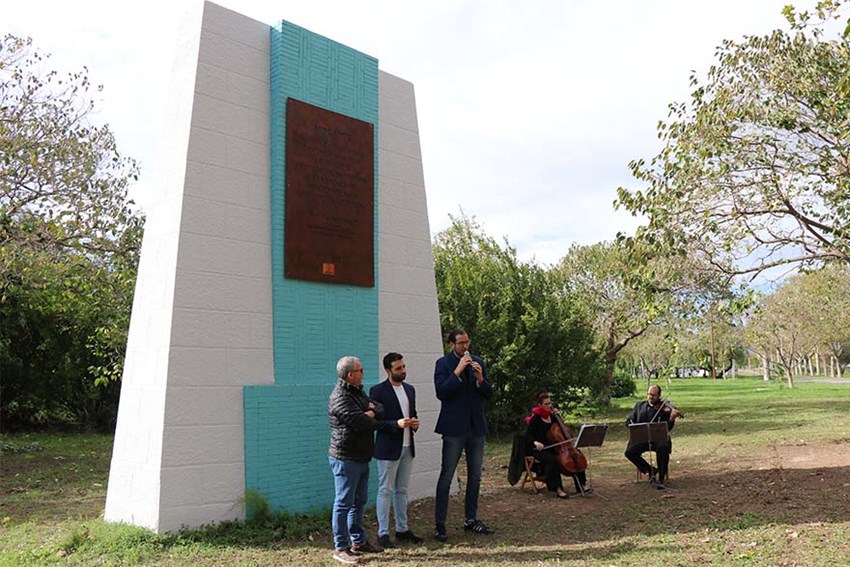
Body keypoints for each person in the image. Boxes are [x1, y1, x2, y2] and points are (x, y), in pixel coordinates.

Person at [433, 329, 494, 542]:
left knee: (475, 476)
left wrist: (480, 379)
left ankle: (471, 519)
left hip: (475, 427)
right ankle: (440, 524)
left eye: (467, 342)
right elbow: (441, 392)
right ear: (452, 344)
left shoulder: (478, 361)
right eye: (460, 343)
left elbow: (488, 394)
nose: (465, 346)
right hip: (453, 429)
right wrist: (457, 372)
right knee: (446, 476)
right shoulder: (443, 364)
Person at [328, 356, 389, 564]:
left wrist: (371, 411)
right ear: (350, 375)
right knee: (343, 502)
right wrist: (370, 413)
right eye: (360, 370)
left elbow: (380, 408)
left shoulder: (358, 392)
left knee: (359, 501)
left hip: (362, 456)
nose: (363, 373)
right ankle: (341, 547)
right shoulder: (339, 397)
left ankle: (358, 541)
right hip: (346, 457)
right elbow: (361, 422)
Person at [369, 352, 424, 548]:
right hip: (388, 448)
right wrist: (396, 424)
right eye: (398, 368)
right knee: (385, 490)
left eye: (404, 367)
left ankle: (402, 529)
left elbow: (412, 413)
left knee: (402, 490)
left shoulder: (410, 389)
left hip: (408, 446)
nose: (403, 371)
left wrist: (415, 423)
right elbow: (374, 423)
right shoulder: (378, 391)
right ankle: (383, 533)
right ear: (388, 370)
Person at [524, 390, 591, 497]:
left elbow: (562, 430)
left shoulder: (553, 416)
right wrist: (536, 443)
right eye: (546, 404)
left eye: (550, 403)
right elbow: (528, 435)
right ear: (540, 405)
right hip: (541, 449)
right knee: (552, 460)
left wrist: (560, 418)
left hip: (556, 447)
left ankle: (581, 485)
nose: (549, 406)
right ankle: (558, 488)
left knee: (575, 456)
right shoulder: (535, 418)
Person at [624, 383, 680, 489]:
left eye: (653, 395)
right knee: (629, 452)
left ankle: (661, 478)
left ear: (659, 396)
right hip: (641, 439)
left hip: (658, 439)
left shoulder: (664, 409)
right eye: (649, 394)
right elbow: (628, 422)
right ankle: (650, 470)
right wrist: (633, 425)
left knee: (663, 447)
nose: (650, 397)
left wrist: (671, 418)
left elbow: (668, 428)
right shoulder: (639, 406)